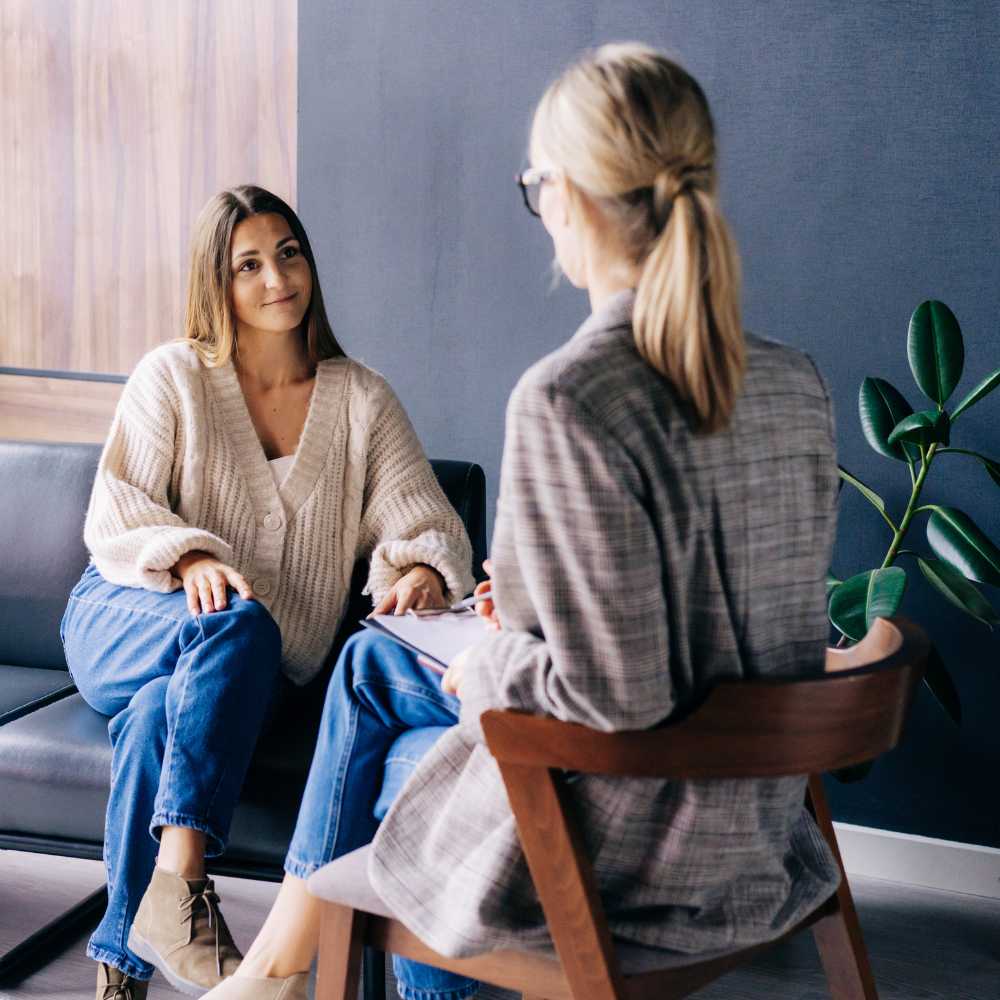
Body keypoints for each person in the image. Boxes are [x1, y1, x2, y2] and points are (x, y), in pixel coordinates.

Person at [203, 43, 841, 1000]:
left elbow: (610, 695)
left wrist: (493, 660)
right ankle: (274, 967)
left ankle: (282, 967)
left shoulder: (571, 397)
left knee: (414, 774)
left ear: (574, 198)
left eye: (536, 182)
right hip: (753, 830)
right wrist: (529, 614)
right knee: (375, 659)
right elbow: (712, 619)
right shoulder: (794, 382)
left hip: (638, 844)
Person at [60, 185, 474, 1000]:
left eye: (288, 253)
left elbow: (422, 518)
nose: (276, 277)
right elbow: (116, 511)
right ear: (217, 281)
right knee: (239, 625)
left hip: (251, 667)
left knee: (160, 712)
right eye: (247, 263)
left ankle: (122, 964)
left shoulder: (360, 399)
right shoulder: (173, 375)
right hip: (126, 613)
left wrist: (420, 570)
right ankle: (180, 887)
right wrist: (188, 561)